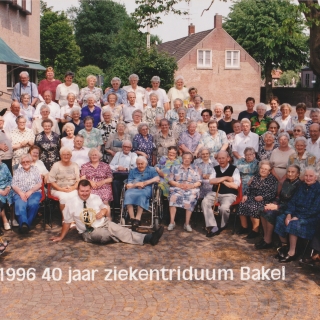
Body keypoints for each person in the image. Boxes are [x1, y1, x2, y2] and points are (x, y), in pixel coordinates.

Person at [50, 179, 164, 246]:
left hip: (103, 223)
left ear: (90, 190)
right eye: (82, 191)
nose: (84, 193)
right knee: (103, 236)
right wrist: (61, 237)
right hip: (89, 231)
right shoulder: (71, 203)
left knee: (122, 230)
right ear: (78, 190)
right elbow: (66, 222)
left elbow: (104, 208)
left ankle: (149, 238)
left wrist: (103, 212)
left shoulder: (95, 197)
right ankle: (117, 236)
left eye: (87, 191)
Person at [274, 167, 320, 262]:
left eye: (311, 176)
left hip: (310, 218)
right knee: (280, 219)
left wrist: (297, 217)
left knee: (294, 224)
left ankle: (292, 252)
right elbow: (292, 202)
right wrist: (289, 214)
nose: (308, 178)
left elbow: (315, 209)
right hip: (296, 214)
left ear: (316, 177)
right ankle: (285, 247)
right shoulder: (302, 186)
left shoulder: (318, 189)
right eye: (306, 176)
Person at [256, 165, 301, 250]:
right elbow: (280, 196)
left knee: (270, 213)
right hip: (280, 205)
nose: (290, 174)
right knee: (263, 209)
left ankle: (268, 240)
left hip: (290, 208)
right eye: (288, 172)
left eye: (293, 172)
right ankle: (265, 237)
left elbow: (294, 202)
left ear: (298, 174)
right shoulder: (286, 181)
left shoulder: (299, 185)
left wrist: (277, 206)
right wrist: (273, 203)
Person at [201, 150, 240, 237]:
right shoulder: (215, 169)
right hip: (215, 193)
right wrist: (226, 178)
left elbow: (235, 186)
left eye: (223, 158)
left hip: (229, 194)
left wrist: (220, 181)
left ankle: (223, 225)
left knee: (224, 208)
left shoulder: (234, 169)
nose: (221, 160)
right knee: (205, 202)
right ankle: (213, 226)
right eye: (219, 158)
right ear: (217, 160)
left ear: (228, 158)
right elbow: (211, 181)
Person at [237, 160, 278, 239]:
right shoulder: (256, 177)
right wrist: (245, 195)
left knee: (254, 207)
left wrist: (263, 197)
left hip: (264, 200)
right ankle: (244, 227)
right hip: (253, 197)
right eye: (262, 168)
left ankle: (255, 230)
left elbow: (273, 193)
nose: (263, 170)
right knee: (242, 203)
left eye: (266, 169)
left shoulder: (272, 180)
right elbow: (249, 188)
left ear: (269, 171)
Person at [168, 152, 201, 232]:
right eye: (185, 158)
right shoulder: (175, 167)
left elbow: (199, 182)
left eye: (188, 158)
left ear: (191, 159)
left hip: (191, 188)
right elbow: (170, 181)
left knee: (190, 197)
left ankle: (187, 223)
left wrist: (191, 186)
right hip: (178, 187)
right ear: (182, 159)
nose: (186, 160)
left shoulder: (196, 168)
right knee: (173, 197)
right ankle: (172, 222)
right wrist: (179, 185)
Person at [124, 156, 160, 229]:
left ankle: (138, 219)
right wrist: (136, 184)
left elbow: (157, 178)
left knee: (141, 195)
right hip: (134, 188)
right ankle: (132, 218)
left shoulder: (151, 170)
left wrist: (145, 183)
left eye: (142, 164)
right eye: (138, 164)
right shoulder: (133, 171)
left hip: (147, 188)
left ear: (146, 164)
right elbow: (128, 185)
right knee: (127, 194)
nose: (140, 165)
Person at [12, 154, 42, 233]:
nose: (25, 163)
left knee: (33, 204)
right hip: (19, 192)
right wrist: (21, 193)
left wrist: (30, 191)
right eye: (23, 162)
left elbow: (39, 183)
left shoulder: (35, 169)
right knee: (20, 204)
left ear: (31, 162)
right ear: (21, 163)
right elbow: (13, 184)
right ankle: (24, 224)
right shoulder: (18, 171)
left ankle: (25, 224)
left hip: (34, 192)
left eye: (27, 161)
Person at [47, 147, 80, 215]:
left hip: (72, 188)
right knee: (64, 197)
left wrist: (73, 188)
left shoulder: (75, 165)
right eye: (64, 154)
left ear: (71, 156)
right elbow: (51, 180)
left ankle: (74, 218)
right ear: (60, 155)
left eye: (68, 154)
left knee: (75, 196)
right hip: (57, 189)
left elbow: (78, 180)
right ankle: (65, 219)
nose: (66, 156)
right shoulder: (56, 165)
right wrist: (61, 189)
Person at [109, 140, 137, 208]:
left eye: (128, 147)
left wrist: (126, 168)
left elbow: (136, 167)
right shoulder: (118, 154)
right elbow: (110, 165)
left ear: (131, 148)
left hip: (129, 176)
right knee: (115, 183)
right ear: (122, 147)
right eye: (125, 146)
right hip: (118, 175)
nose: (126, 148)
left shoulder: (134, 155)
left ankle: (128, 204)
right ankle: (117, 205)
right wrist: (117, 167)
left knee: (130, 185)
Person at [0, 160, 14, 231]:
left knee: (14, 194)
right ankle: (4, 219)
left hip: (7, 187)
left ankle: (13, 218)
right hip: (0, 190)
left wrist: (8, 187)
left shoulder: (4, 165)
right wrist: (0, 191)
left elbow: (10, 178)